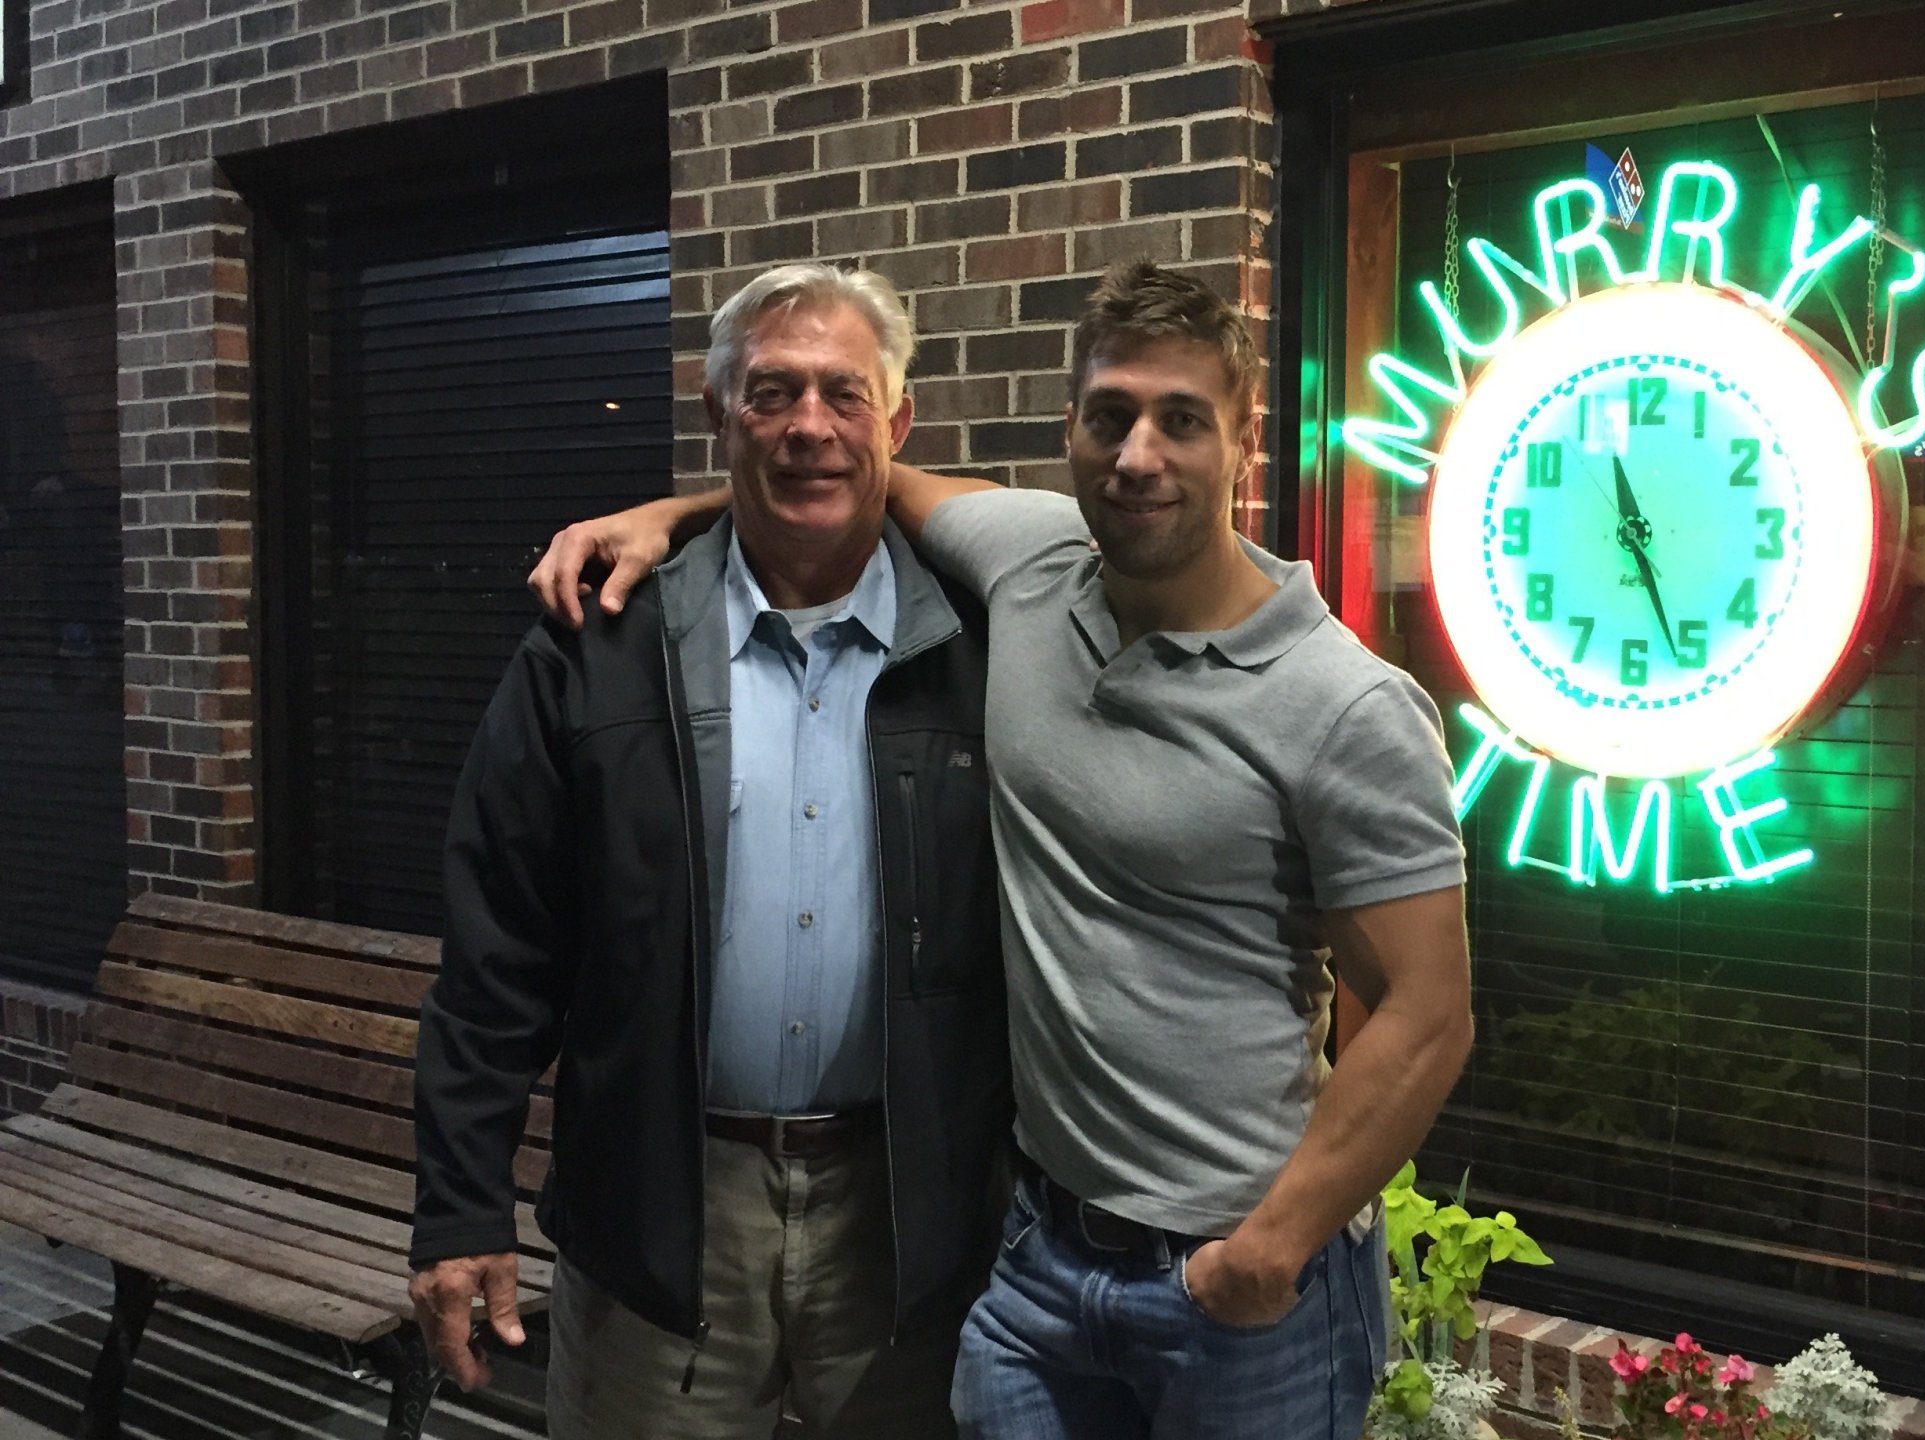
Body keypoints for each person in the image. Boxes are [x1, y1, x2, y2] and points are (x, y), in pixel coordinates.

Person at [529, 260, 1475, 1438]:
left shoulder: (1345, 704)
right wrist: (669, 516)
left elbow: (1425, 1016)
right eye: (1110, 415)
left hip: (1239, 1283)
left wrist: (1265, 1252)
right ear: (1069, 429)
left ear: (1245, 440)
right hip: (1035, 1265)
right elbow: (832, 466)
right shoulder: (1032, 564)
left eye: (1182, 420)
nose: (1139, 455)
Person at [412, 263, 1010, 1440]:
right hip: (662, 1206)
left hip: (906, 1217)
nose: (807, 426)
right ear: (716, 414)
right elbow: (499, 950)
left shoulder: (988, 641)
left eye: (845, 395)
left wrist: (682, 506)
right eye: (770, 393)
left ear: (899, 425)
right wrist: (459, 1208)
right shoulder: (596, 647)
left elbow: (1107, 522)